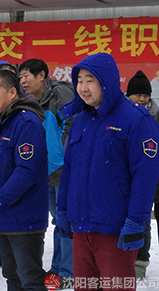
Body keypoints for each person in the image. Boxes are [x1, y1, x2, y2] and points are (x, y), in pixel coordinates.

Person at [57, 53, 159, 291]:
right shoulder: (80, 121)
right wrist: (63, 210)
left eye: (90, 80)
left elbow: (145, 176)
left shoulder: (136, 120)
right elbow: (69, 170)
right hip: (82, 227)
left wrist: (136, 220)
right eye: (79, 80)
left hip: (115, 230)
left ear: (107, 81)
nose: (83, 87)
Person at [0, 69, 49, 290]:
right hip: (5, 216)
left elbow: (27, 170)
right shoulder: (3, 121)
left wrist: (2, 199)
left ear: (12, 92)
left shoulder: (26, 122)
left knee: (29, 277)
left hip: (22, 217)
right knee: (12, 275)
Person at [19, 58, 73, 287]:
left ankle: (67, 272)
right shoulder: (29, 101)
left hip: (62, 169)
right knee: (57, 219)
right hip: (44, 171)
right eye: (20, 77)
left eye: (26, 76)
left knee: (65, 220)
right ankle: (58, 267)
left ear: (41, 75)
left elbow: (72, 124)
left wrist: (62, 155)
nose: (23, 81)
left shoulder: (61, 94)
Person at [124, 70, 159, 278]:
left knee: (144, 219)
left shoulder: (155, 115)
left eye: (146, 95)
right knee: (135, 219)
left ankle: (140, 262)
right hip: (131, 178)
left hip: (154, 178)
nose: (143, 99)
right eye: (138, 95)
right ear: (128, 95)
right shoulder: (122, 116)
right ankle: (132, 261)